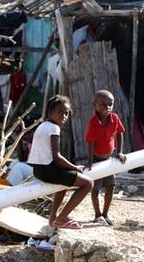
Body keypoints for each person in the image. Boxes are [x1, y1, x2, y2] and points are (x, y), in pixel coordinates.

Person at [28, 95, 93, 229]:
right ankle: (62, 218)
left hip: (39, 170)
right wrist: (75, 167)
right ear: (50, 112)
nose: (63, 116)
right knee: (88, 183)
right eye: (60, 112)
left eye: (66, 113)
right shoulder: (54, 128)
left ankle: (53, 218)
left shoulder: (43, 126)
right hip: (48, 170)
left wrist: (70, 168)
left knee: (64, 182)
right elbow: (57, 157)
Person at [84, 90, 127, 225]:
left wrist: (119, 152)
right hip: (97, 159)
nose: (107, 108)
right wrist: (90, 162)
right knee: (95, 188)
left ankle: (106, 213)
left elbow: (120, 133)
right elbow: (90, 142)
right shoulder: (93, 122)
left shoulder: (114, 118)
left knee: (110, 186)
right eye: (103, 105)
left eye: (110, 104)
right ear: (95, 105)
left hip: (109, 160)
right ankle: (97, 214)